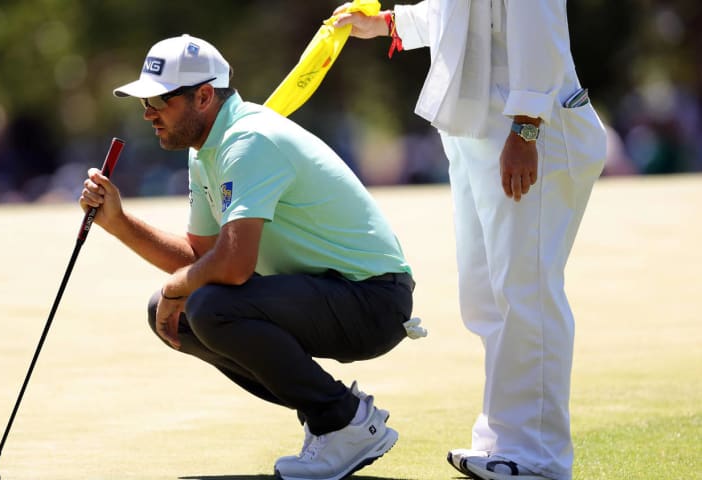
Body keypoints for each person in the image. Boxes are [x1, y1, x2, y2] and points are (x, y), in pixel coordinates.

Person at [79, 34, 421, 480]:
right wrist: (119, 223)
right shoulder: (205, 152)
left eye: (159, 102)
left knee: (209, 306)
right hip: (325, 295)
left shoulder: (249, 140)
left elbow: (234, 268)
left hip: (374, 299)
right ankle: (336, 418)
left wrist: (175, 286)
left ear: (203, 96)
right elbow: (201, 256)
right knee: (178, 315)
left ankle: (342, 422)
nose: (148, 114)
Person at [333, 2, 606, 480]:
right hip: (479, 130)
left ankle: (538, 458)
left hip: (530, 133)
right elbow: (456, 12)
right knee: (485, 296)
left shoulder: (527, 129)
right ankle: (505, 441)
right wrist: (389, 24)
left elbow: (537, 30)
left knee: (526, 294)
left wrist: (526, 129)